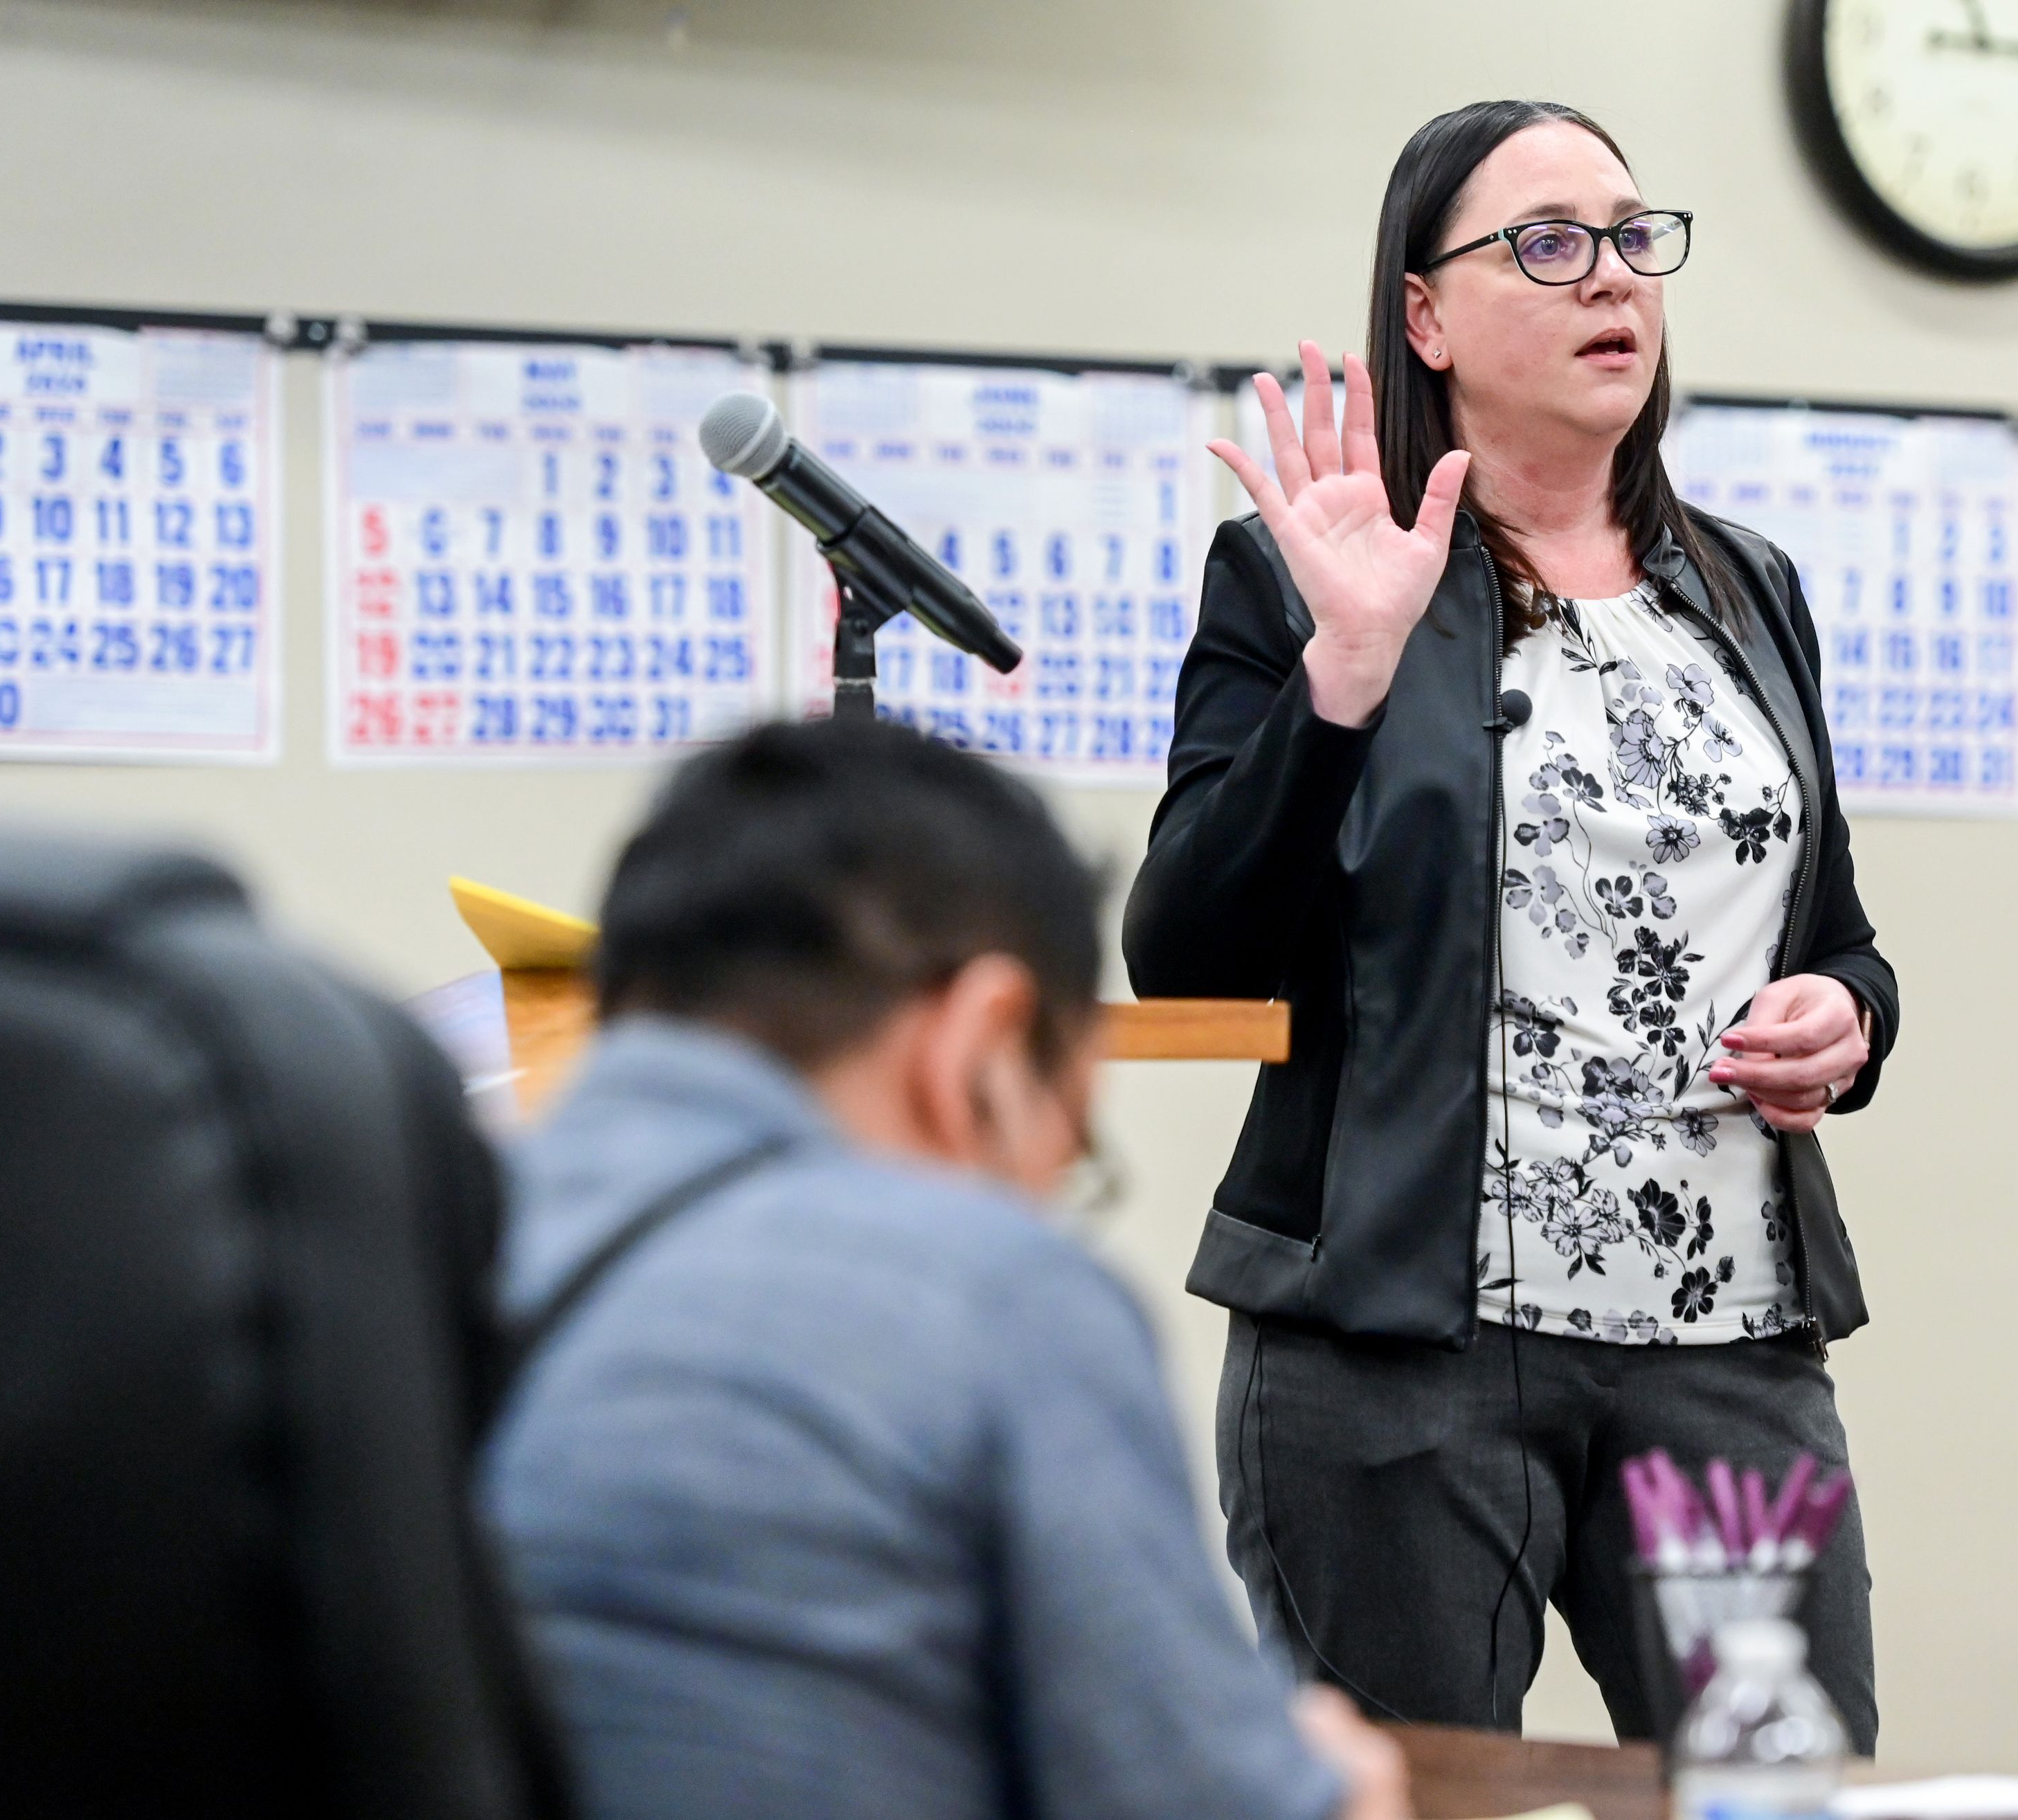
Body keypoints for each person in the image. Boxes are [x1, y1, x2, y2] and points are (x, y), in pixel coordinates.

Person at [1124, 100, 1898, 1749]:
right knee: (1412, 1804)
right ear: (1426, 313)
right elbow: (1181, 959)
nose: (1608, 277)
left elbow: (1836, 931)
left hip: (1723, 1347)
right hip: (1406, 1346)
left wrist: (1849, 1014)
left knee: (1790, 1788)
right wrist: (1344, 678)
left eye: (1633, 237)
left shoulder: (1747, 589)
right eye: (1546, 245)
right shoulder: (1301, 576)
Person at [483, 718, 1409, 1820]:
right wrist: (1346, 1785)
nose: (1039, 1195)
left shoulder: (446, 1228)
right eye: (1067, 1151)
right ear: (982, 1044)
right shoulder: (991, 1291)